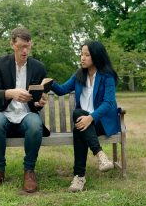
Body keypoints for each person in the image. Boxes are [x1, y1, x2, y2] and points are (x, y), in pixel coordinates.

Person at [0, 26, 50, 193]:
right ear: (12, 44)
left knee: (36, 123)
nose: (25, 50)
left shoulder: (38, 67)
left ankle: (29, 172)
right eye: (21, 46)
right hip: (4, 114)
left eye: (28, 46)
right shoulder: (0, 64)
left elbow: (37, 97)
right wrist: (10, 93)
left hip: (26, 115)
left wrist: (39, 102)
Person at [51, 40, 120, 192]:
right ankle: (100, 155)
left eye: (87, 55)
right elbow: (62, 90)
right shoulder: (79, 75)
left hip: (101, 122)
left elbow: (108, 102)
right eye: (81, 54)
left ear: (96, 56)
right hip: (84, 121)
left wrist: (91, 117)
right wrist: (49, 82)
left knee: (79, 122)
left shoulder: (107, 76)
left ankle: (79, 177)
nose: (82, 58)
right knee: (79, 119)